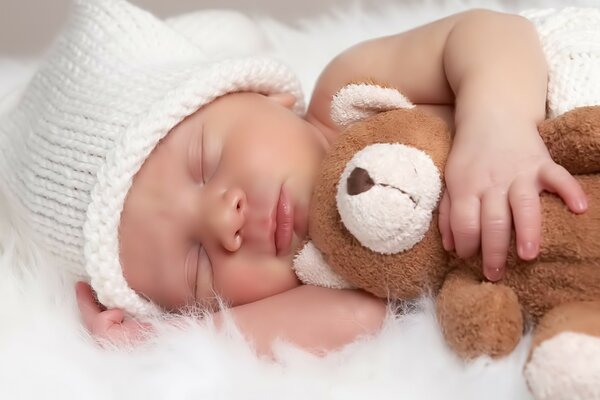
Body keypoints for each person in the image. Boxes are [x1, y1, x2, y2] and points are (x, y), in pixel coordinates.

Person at [1, 0, 592, 356]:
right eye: (197, 263)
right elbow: (358, 320)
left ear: (263, 93)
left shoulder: (347, 93)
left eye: (205, 163)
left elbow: (491, 33)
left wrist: (497, 123)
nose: (223, 220)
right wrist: (162, 343)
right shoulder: (332, 275)